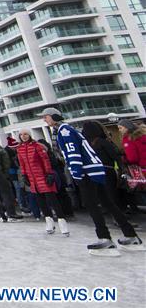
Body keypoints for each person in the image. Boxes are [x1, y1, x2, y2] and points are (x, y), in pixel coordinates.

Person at [40, 108, 142, 255]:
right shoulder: (68, 129)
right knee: (107, 203)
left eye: (46, 116)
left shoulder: (64, 131)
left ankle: (104, 237)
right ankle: (130, 234)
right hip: (95, 169)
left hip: (87, 171)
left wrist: (76, 173)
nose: (44, 119)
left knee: (91, 204)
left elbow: (72, 152)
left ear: (54, 116)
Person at [16, 129, 68, 236]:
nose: (23, 136)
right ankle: (49, 221)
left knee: (52, 200)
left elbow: (45, 160)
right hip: (32, 178)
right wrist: (24, 175)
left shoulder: (37, 146)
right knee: (41, 201)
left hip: (43, 176)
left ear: (29, 135)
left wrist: (49, 173)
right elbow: (22, 163)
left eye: (25, 134)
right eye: (21, 135)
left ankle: (62, 221)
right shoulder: (20, 148)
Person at [81, 121, 126, 211]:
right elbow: (115, 156)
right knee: (113, 192)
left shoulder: (85, 145)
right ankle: (120, 211)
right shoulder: (103, 142)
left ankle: (109, 209)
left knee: (103, 192)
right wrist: (122, 168)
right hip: (108, 169)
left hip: (94, 171)